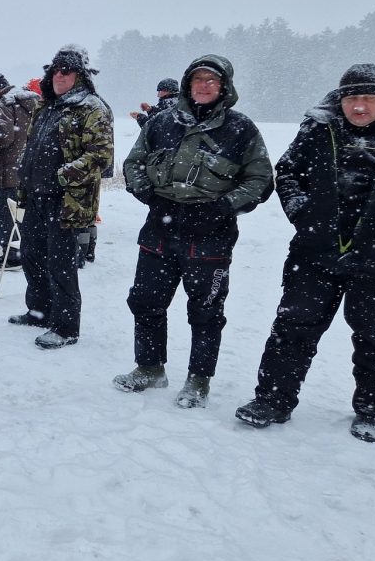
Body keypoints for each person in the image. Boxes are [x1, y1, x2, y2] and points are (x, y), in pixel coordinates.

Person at [236, 64, 375, 440]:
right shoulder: (318, 126)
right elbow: (289, 172)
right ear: (340, 99)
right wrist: (302, 213)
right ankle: (272, 400)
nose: (359, 107)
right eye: (351, 98)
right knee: (292, 328)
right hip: (316, 252)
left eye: (368, 98)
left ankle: (372, 411)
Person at [116, 55, 273, 406]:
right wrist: (147, 194)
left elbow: (261, 179)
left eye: (211, 80)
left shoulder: (241, 129)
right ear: (188, 84)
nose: (203, 85)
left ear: (224, 87)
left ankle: (198, 380)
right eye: (197, 79)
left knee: (205, 311)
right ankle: (150, 368)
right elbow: (134, 162)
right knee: (145, 302)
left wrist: (221, 207)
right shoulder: (161, 123)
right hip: (160, 229)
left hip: (210, 237)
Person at [9, 45, 113, 349]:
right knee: (32, 255)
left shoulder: (92, 107)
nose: (59, 76)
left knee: (61, 264)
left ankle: (66, 327)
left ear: (79, 75)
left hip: (66, 201)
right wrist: (25, 180)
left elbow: (100, 156)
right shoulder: (47, 106)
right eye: (55, 70)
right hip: (37, 197)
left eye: (65, 71)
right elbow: (32, 149)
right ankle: (39, 311)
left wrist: (62, 175)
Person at [0, 72, 41, 269]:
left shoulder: (4, 104)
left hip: (9, 171)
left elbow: (2, 136)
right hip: (30, 169)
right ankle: (28, 251)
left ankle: (11, 255)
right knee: (24, 213)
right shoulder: (34, 101)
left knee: (5, 213)